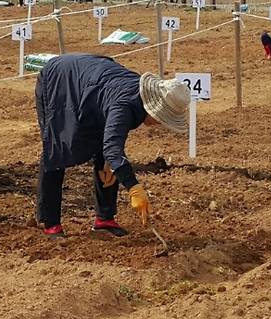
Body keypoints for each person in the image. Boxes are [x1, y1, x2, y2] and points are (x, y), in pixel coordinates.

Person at [34, 53, 190, 238]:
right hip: (60, 82)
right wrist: (133, 187)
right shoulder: (124, 105)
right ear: (153, 107)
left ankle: (104, 219)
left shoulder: (135, 99)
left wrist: (112, 162)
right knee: (56, 146)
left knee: (108, 158)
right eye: (162, 119)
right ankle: (50, 221)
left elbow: (111, 143)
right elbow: (113, 148)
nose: (160, 124)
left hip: (91, 88)